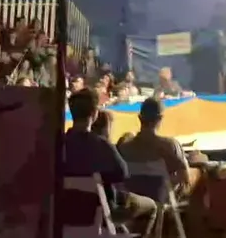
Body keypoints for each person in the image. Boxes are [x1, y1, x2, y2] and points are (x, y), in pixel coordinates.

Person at [63, 89, 157, 228]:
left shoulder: (59, 143)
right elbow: (123, 173)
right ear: (95, 113)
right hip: (102, 209)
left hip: (67, 211)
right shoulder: (101, 145)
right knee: (151, 206)